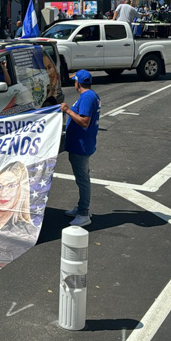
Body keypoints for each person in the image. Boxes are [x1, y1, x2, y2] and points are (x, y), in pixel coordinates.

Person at [60, 69, 101, 227]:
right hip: (80, 144)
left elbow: (85, 121)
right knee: (82, 177)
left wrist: (68, 110)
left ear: (78, 83)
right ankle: (82, 207)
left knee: (82, 179)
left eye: (74, 81)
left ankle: (84, 213)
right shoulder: (90, 96)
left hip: (81, 145)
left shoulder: (87, 97)